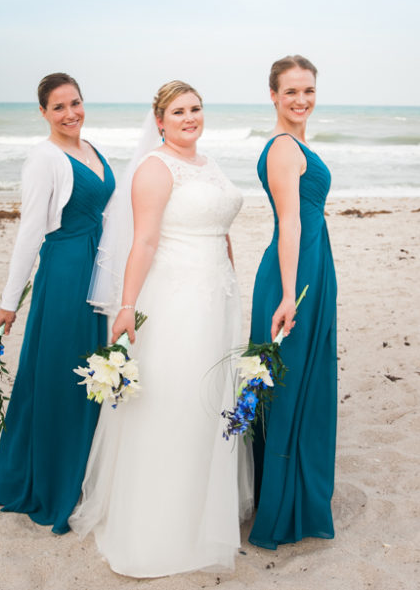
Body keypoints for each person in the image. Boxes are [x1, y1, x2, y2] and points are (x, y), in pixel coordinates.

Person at [69, 81, 251, 577]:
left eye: (196, 109)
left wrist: (235, 286)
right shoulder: (154, 167)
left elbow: (223, 233)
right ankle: (158, 529)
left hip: (220, 297)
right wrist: (126, 305)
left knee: (210, 402)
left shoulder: (208, 163)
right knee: (175, 402)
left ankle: (201, 512)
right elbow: (144, 241)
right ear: (160, 119)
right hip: (177, 300)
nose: (190, 117)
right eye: (179, 111)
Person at [0, 73, 115, 534]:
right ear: (43, 113)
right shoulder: (43, 158)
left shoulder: (93, 150)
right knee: (62, 372)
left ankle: (83, 470)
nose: (70, 113)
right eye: (58, 107)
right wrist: (9, 301)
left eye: (75, 103)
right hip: (63, 272)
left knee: (93, 371)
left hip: (97, 270)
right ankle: (54, 478)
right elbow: (30, 231)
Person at [248, 55, 337, 549]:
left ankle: (295, 498)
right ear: (274, 96)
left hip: (311, 268)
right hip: (294, 276)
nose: (301, 100)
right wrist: (288, 293)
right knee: (287, 389)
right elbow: (291, 223)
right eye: (291, 92)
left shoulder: (297, 143)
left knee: (304, 383)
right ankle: (282, 507)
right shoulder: (283, 147)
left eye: (308, 91)